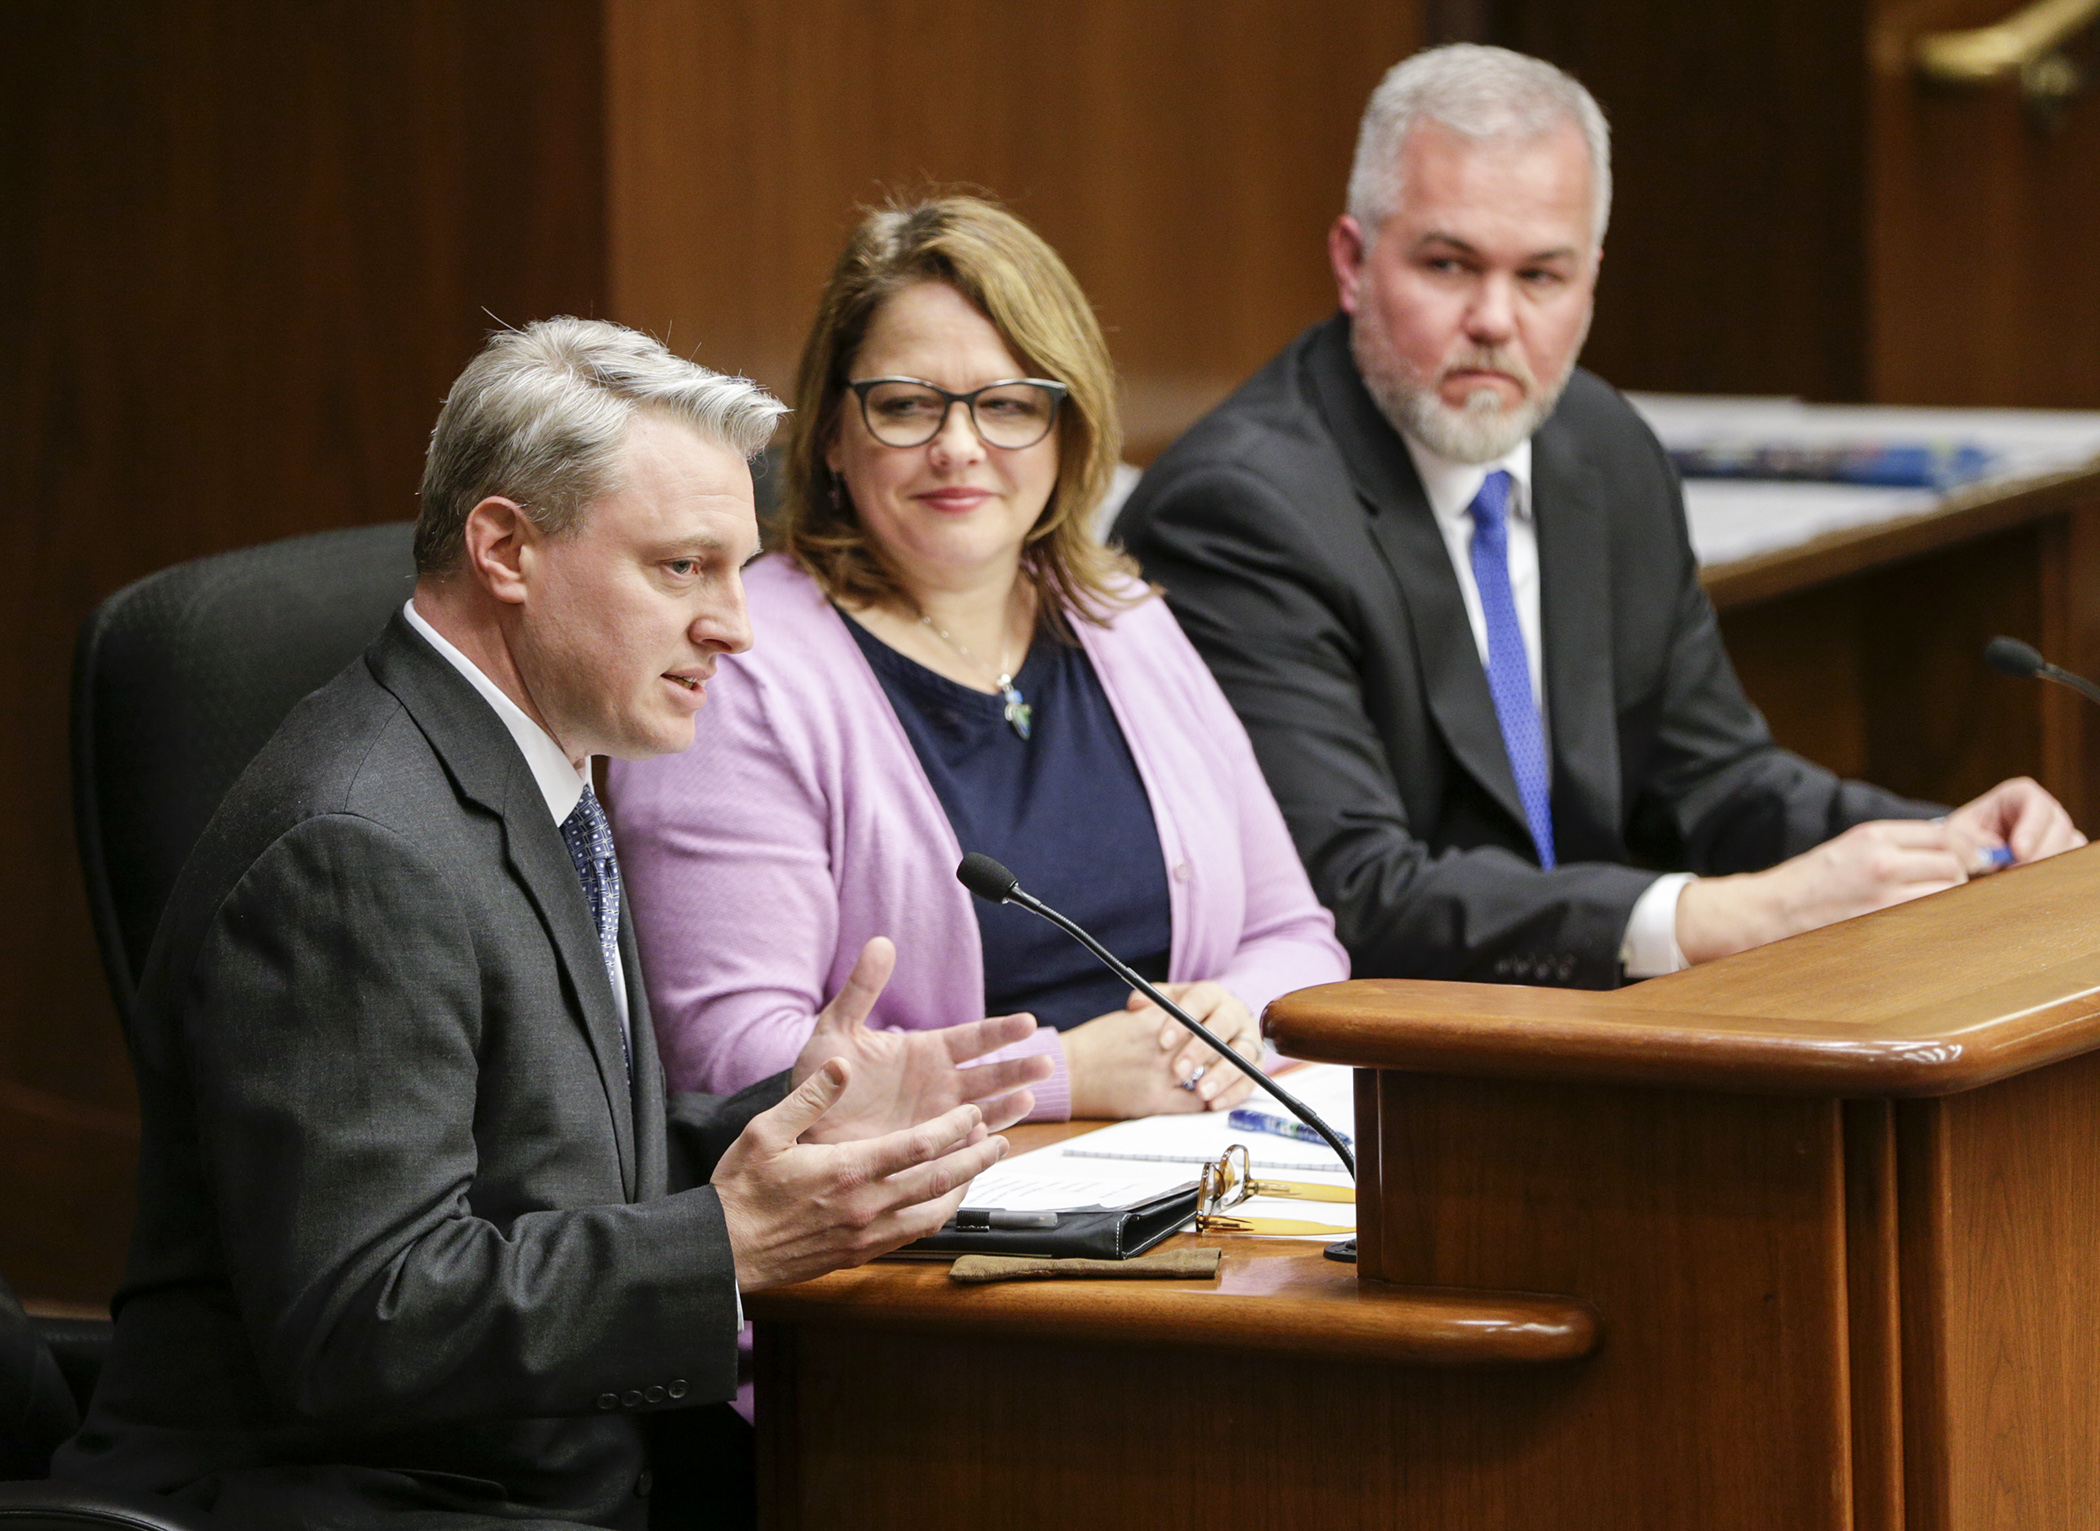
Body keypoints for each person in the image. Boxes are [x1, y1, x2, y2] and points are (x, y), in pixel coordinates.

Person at [56, 317, 1053, 1530]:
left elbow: (539, 1173)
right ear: (505, 548)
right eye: (683, 568)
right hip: (366, 1500)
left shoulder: (548, 765)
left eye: (740, 569)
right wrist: (730, 1242)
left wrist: (795, 1128)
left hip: (562, 1476)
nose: (737, 626)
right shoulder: (353, 848)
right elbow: (366, 1317)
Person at [1114, 44, 2084, 989]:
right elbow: (1351, 894)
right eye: (1449, 265)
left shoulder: (1600, 447)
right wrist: (1723, 917)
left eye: (1541, 276)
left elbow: (1717, 780)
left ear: (1590, 281)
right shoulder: (1240, 511)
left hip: (1596, 1032)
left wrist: (1946, 848)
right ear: (1353, 260)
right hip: (1386, 1066)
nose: (1496, 318)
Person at [607, 197, 1347, 1122]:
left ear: (1067, 430)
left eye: (1005, 405)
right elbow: (734, 1059)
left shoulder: (1121, 618)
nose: (960, 448)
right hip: (932, 1226)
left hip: (1200, 1165)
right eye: (909, 405)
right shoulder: (743, 669)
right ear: (834, 434)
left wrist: (1231, 1015)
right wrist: (1064, 1073)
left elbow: (1296, 936)